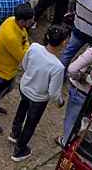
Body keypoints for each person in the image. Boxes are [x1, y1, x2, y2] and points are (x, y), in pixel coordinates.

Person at [10, 25, 68, 162]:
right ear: (63, 43)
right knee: (31, 122)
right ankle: (19, 150)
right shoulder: (57, 67)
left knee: (21, 109)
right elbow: (54, 92)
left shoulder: (34, 47)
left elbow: (24, 64)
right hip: (38, 98)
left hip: (25, 88)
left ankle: (15, 133)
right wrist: (60, 101)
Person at [0, 4, 33, 135]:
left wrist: (25, 43)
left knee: (6, 90)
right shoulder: (12, 37)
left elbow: (25, 38)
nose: (32, 22)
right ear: (22, 20)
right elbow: (24, 55)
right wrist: (25, 44)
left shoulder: (12, 21)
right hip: (3, 72)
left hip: (6, 68)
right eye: (30, 20)